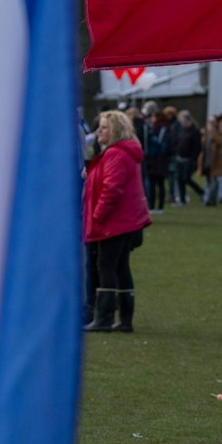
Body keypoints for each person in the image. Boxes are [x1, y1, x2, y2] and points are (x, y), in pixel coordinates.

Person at [84, 110, 152, 333]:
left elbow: (112, 189)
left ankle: (103, 317)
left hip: (114, 222)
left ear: (114, 130)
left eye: (103, 128)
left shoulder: (115, 154)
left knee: (106, 265)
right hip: (125, 220)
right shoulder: (122, 152)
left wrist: (98, 216)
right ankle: (124, 319)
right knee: (121, 267)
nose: (98, 131)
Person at [174, 110, 204, 206]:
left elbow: (197, 147)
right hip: (180, 158)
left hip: (188, 159)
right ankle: (182, 200)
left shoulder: (195, 131)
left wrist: (193, 158)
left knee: (186, 178)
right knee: (180, 179)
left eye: (183, 121)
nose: (182, 124)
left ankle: (201, 192)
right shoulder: (182, 130)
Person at [203, 113, 222, 205]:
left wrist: (213, 133)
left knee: (214, 180)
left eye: (212, 122)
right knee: (208, 180)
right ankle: (209, 198)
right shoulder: (206, 131)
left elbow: (221, 141)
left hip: (215, 160)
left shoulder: (219, 132)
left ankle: (210, 199)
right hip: (207, 158)